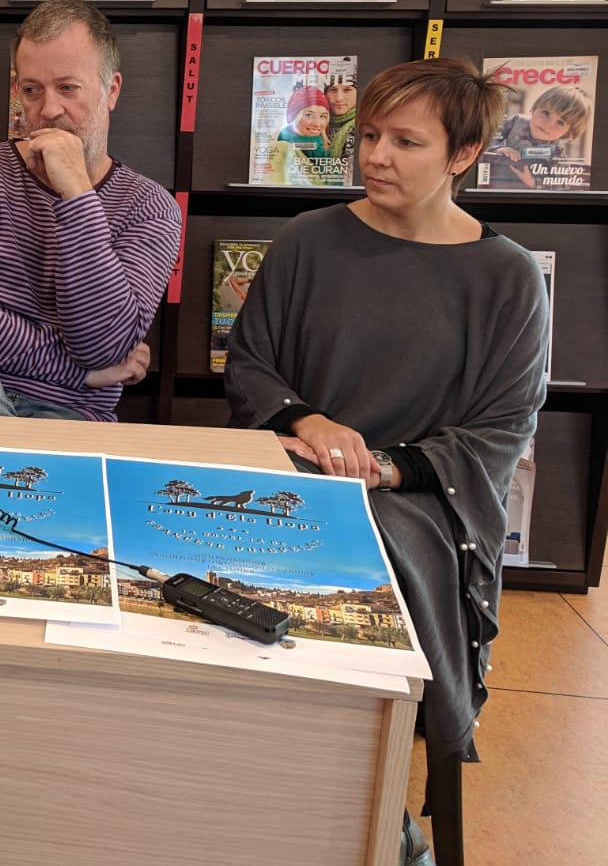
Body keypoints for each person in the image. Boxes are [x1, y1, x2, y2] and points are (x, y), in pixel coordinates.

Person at [224, 58, 549, 854]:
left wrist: (389, 466)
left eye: (406, 141)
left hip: (422, 506)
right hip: (299, 473)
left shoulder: (507, 279)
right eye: (369, 135)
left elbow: (503, 427)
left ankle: (372, 820)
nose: (376, 156)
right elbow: (251, 366)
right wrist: (311, 422)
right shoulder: (307, 242)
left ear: (463, 154)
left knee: (359, 562)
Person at [0, 0, 181, 421]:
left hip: (68, 414)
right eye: (31, 90)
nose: (49, 110)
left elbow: (103, 347)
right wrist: (78, 373)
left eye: (68, 88)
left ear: (110, 90)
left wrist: (77, 193)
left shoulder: (150, 207)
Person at [478, 82, 594, 189]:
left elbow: (564, 183)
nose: (548, 124)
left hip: (525, 195)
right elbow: (485, 138)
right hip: (495, 185)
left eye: (560, 122)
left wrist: (535, 182)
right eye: (546, 113)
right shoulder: (515, 122)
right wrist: (499, 149)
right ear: (535, 107)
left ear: (568, 133)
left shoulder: (556, 151)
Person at [276, 84, 333, 158]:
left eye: (322, 116)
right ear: (295, 116)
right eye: (309, 115)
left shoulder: (285, 134)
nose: (317, 124)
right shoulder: (316, 144)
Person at [324, 63, 358, 160]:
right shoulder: (316, 125)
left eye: (347, 90)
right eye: (333, 90)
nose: (339, 98)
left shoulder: (361, 127)